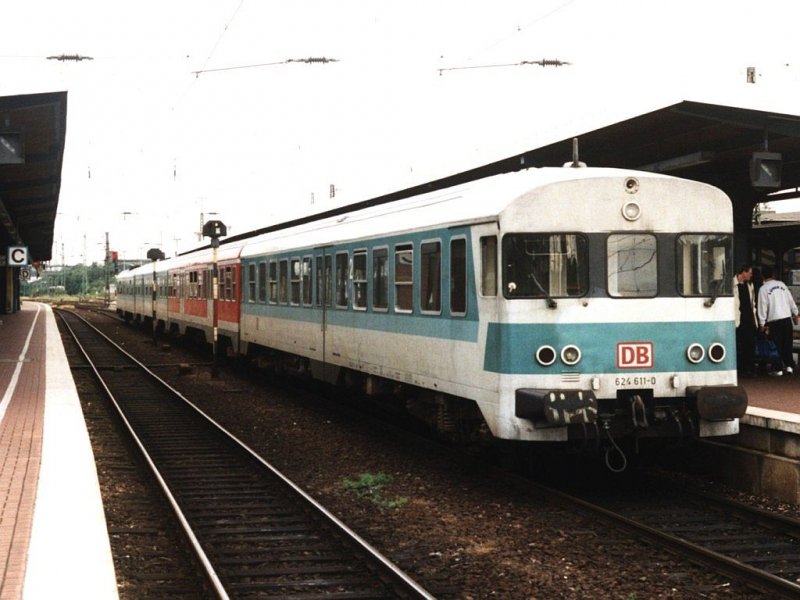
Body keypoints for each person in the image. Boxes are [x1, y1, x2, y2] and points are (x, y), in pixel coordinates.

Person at [757, 265, 799, 375]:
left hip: (774, 320)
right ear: (773, 274)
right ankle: (789, 365)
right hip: (786, 318)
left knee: (777, 345)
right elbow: (791, 300)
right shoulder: (782, 285)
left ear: (762, 276)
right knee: (787, 343)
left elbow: (762, 306)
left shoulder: (763, 289)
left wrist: (761, 323)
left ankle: (778, 368)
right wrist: (795, 312)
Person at [733, 264, 757, 377]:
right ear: (743, 272)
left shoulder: (749, 285)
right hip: (737, 320)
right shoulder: (732, 285)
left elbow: (753, 304)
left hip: (748, 320)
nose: (751, 275)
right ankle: (740, 368)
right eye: (750, 273)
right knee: (738, 345)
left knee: (749, 344)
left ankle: (748, 368)